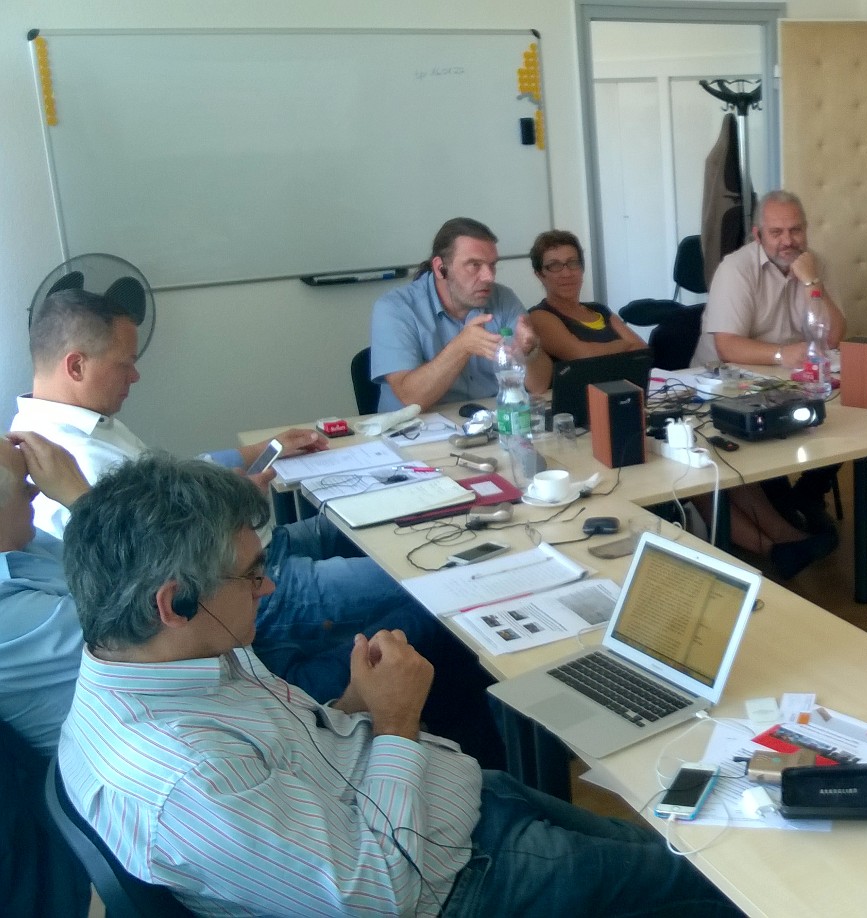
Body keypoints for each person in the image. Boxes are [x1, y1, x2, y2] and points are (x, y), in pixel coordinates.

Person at [56, 454, 740, 917]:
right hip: (457, 881)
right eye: (251, 575)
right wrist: (394, 722)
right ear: (172, 602)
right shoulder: (183, 780)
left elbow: (292, 760)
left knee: (688, 853)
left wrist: (352, 704)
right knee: (722, 886)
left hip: (455, 803)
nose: (266, 588)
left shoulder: (175, 656)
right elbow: (379, 895)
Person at [10, 289, 504, 764]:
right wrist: (223, 504)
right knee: (427, 584)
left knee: (385, 512)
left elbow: (174, 474)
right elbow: (149, 574)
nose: (135, 375)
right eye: (125, 363)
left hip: (258, 551)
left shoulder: (89, 423)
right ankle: (478, 737)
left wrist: (256, 453)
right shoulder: (69, 467)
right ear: (76, 366)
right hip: (249, 582)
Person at [692, 190, 844, 577]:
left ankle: (803, 501)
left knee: (849, 419)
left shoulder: (813, 264)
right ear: (758, 235)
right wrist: (781, 355)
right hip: (722, 388)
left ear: (806, 230)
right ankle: (786, 535)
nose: (787, 241)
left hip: (788, 385)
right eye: (776, 232)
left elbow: (833, 337)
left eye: (795, 230)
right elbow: (726, 346)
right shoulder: (736, 269)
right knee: (725, 461)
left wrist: (811, 282)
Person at [371, 217, 550, 412]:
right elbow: (410, 398)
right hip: (418, 427)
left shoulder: (503, 298)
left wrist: (529, 353)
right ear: (440, 269)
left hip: (491, 421)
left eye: (492, 265)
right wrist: (462, 347)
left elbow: (540, 386)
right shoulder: (395, 308)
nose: (489, 277)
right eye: (474, 265)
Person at [0, 431, 90, 755]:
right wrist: (81, 498)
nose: (36, 490)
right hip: (131, 754)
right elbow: (162, 621)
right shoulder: (10, 611)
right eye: (24, 484)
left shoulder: (26, 541)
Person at [525, 229, 647, 361]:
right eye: (554, 266)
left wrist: (600, 350)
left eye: (573, 263)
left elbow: (642, 349)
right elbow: (581, 355)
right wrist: (623, 345)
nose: (566, 274)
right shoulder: (538, 316)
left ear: (582, 269)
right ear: (540, 275)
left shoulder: (599, 309)